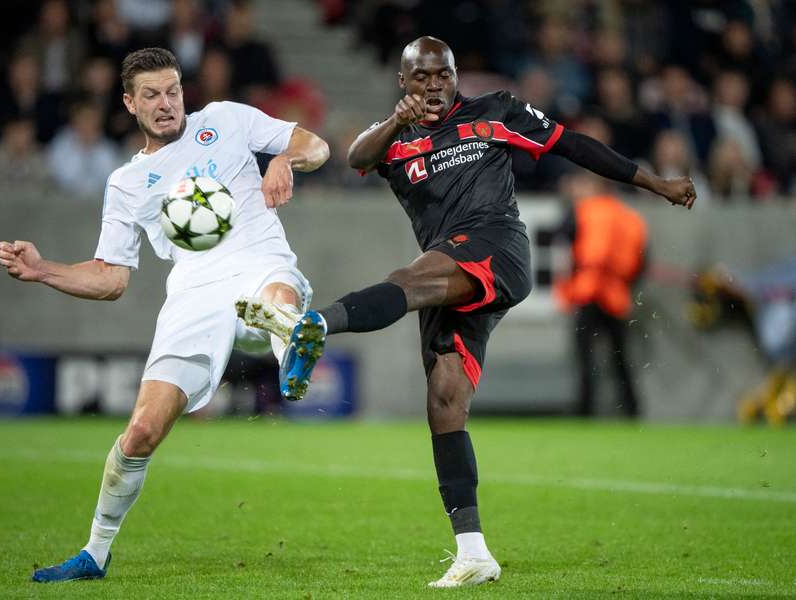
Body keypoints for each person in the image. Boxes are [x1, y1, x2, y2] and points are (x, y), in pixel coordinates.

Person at [237, 37, 695, 588]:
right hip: (451, 275)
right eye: (423, 77)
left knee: (408, 278)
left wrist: (655, 183)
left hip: (496, 247)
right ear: (403, 83)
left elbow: (572, 145)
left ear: (456, 77)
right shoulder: (395, 139)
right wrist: (393, 121)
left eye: (444, 75)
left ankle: (314, 324)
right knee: (445, 398)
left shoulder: (495, 110)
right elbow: (357, 155)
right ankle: (473, 551)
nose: (435, 86)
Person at [0, 48, 329, 582]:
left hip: (255, 257)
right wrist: (44, 271)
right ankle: (95, 553)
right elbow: (111, 280)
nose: (166, 102)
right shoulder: (127, 184)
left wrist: (283, 159)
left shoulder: (225, 119)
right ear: (129, 103)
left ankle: (290, 343)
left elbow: (315, 144)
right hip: (193, 290)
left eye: (172, 90)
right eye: (151, 94)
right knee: (140, 434)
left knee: (274, 291)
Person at [553, 172, 648, 417]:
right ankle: (632, 410)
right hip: (616, 295)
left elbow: (564, 246)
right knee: (620, 358)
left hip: (588, 291)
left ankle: (585, 410)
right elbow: (641, 262)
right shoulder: (629, 216)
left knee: (585, 357)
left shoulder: (582, 211)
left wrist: (566, 288)